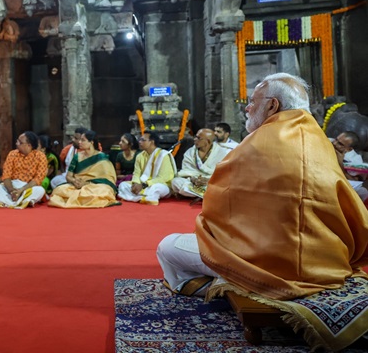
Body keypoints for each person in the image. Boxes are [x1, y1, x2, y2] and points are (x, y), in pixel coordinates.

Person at [157, 73, 368, 301]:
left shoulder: (259, 141)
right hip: (327, 260)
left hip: (272, 262)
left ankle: (236, 288)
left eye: (252, 102)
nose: (247, 109)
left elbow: (219, 204)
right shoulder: (324, 142)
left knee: (167, 247)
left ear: (272, 105)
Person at [48, 130, 119, 208]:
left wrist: (87, 184)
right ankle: (85, 199)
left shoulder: (102, 157)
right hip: (78, 185)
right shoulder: (77, 156)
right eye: (80, 140)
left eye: (83, 140)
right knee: (59, 189)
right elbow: (68, 176)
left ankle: (80, 198)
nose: (79, 142)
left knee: (104, 191)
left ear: (91, 142)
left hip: (95, 186)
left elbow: (108, 179)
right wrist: (74, 181)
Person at [0, 131, 48, 209]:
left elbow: (38, 179)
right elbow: (6, 176)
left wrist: (21, 190)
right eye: (17, 141)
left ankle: (13, 201)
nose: (16, 143)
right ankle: (21, 202)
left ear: (28, 145)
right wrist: (12, 191)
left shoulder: (41, 156)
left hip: (28, 188)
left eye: (20, 142)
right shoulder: (12, 154)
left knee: (39, 190)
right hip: (12, 186)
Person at [118, 131, 176, 205]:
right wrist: (135, 183)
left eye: (143, 140)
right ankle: (144, 197)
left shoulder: (163, 156)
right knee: (123, 185)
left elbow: (164, 178)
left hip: (161, 185)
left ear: (151, 142)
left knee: (156, 188)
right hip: (142, 185)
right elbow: (136, 173)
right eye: (140, 139)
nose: (139, 142)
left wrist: (144, 185)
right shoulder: (140, 156)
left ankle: (135, 197)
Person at [170, 128, 229, 199]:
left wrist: (208, 181)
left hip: (210, 182)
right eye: (195, 136)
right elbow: (185, 172)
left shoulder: (221, 153)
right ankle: (204, 195)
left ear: (207, 141)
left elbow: (223, 174)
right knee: (176, 182)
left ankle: (196, 194)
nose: (195, 139)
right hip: (193, 182)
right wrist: (193, 179)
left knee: (223, 185)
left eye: (198, 138)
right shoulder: (190, 152)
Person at [332, 131, 368, 202]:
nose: (334, 143)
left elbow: (354, 180)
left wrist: (340, 163)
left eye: (340, 144)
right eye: (336, 139)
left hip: (338, 181)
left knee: (362, 192)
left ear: (349, 149)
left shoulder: (355, 159)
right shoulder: (330, 142)